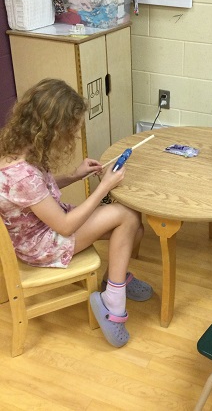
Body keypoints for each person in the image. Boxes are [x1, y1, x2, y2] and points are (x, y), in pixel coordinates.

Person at [0, 78, 152, 348]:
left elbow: (38, 195)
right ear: (53, 129)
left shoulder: (20, 152)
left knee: (134, 226)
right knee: (127, 215)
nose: (74, 136)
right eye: (71, 130)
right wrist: (104, 185)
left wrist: (73, 175)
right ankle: (112, 304)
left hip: (46, 227)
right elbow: (66, 226)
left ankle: (113, 281)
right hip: (42, 244)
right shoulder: (21, 174)